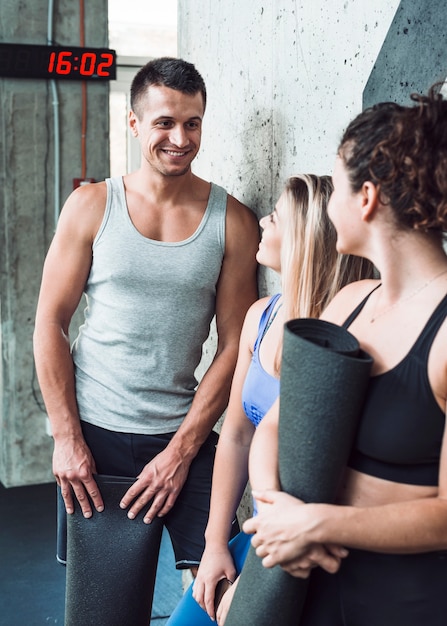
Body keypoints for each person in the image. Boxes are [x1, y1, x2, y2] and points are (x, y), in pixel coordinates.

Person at [33, 56, 259, 604]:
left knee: (234, 597)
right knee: (103, 612)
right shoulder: (90, 206)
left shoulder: (232, 220)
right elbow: (49, 324)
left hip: (187, 434)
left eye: (193, 122)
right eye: (164, 123)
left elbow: (237, 345)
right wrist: (66, 439)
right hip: (97, 440)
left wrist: (182, 450)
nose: (180, 138)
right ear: (134, 124)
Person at [244, 86, 447, 625]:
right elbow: (275, 427)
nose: (328, 203)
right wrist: (273, 510)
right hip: (306, 579)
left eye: (335, 185)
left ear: (367, 197)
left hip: (407, 600)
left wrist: (317, 526)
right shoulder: (348, 303)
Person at [166, 174, 373, 625]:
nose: (262, 220)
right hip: (256, 532)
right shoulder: (261, 315)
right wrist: (215, 542)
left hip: (306, 546)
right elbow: (238, 435)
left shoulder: (347, 337)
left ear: (303, 239)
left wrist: (257, 582)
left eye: (275, 217)